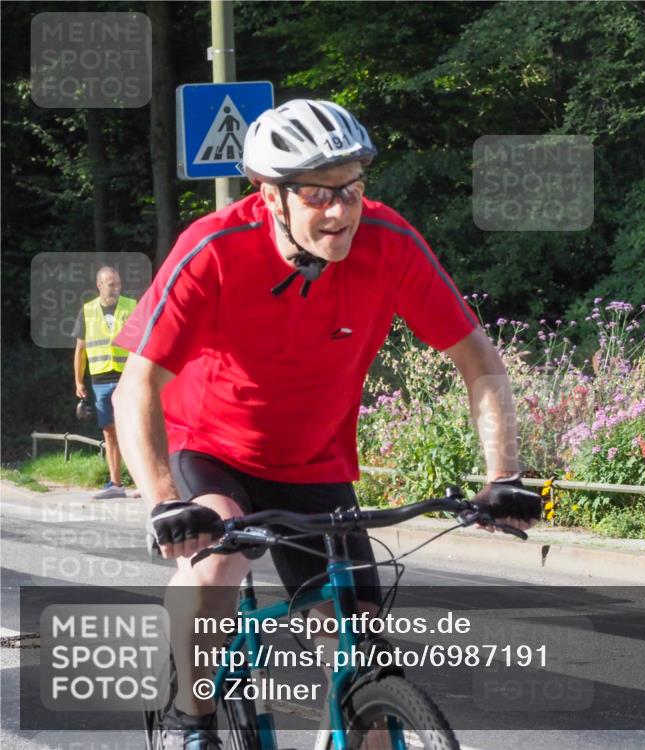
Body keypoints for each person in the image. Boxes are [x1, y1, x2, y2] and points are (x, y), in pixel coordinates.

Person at [112, 99, 541, 749]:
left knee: (360, 655)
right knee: (215, 572)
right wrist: (164, 505)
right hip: (214, 447)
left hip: (315, 463)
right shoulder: (214, 250)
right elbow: (136, 386)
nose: (340, 211)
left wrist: (502, 476)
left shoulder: (389, 243)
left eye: (352, 189)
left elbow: (478, 359)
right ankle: (187, 719)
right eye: (317, 194)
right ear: (270, 195)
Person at [73, 266, 137, 499]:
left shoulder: (131, 306)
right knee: (109, 432)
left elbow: (144, 342)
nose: (116, 288)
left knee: (135, 430)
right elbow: (80, 350)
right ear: (99, 285)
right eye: (111, 284)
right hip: (100, 379)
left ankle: (143, 482)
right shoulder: (88, 310)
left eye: (118, 283)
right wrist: (78, 381)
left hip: (127, 378)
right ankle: (116, 484)